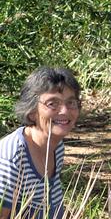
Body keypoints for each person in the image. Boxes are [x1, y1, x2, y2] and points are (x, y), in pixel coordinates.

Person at [0, 66, 82, 219]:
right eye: (52, 103)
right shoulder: (11, 158)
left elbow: (51, 204)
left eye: (71, 102)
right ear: (31, 112)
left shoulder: (56, 146)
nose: (64, 110)